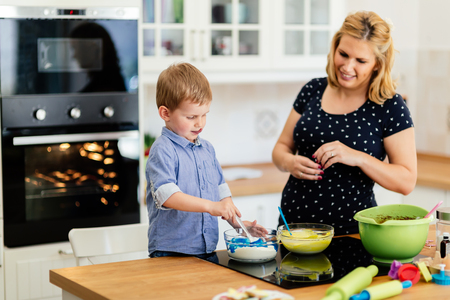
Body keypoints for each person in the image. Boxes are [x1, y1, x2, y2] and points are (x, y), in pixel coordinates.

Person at [272, 11, 417, 235]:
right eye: (343, 54)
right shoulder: (313, 89)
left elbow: (406, 181)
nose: (347, 67)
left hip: (352, 233)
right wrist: (289, 162)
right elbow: (280, 149)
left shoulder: (390, 105)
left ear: (377, 64)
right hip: (294, 230)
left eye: (360, 61)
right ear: (335, 47)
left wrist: (357, 157)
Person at [146, 62, 266, 260]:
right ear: (165, 113)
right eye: (191, 116)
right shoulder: (162, 149)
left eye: (204, 115)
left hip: (206, 248)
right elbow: (167, 196)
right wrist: (211, 207)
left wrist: (239, 224)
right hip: (171, 251)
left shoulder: (207, 149)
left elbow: (221, 192)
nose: (200, 123)